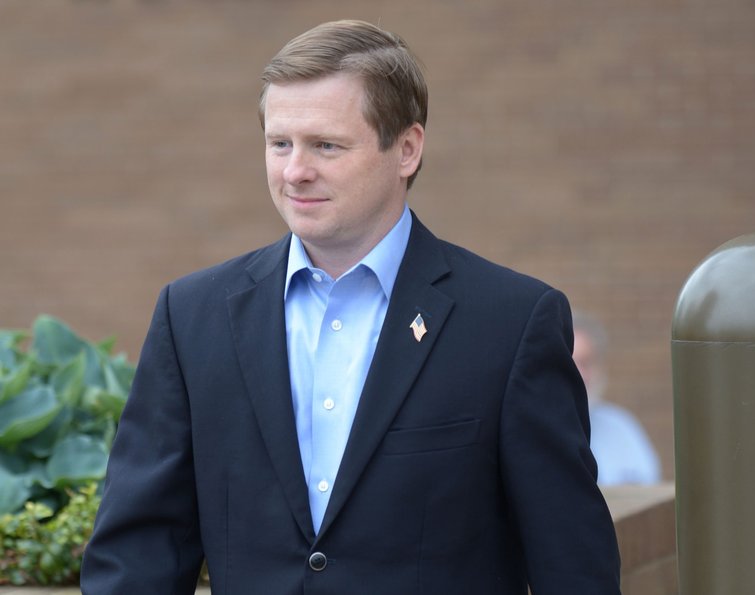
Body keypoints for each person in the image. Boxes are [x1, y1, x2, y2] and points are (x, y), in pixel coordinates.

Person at [81, 20, 621, 594]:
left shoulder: (511, 323)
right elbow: (139, 556)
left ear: (407, 149)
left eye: (327, 146)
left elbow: (573, 566)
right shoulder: (193, 317)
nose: (295, 171)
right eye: (280, 143)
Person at [572, 311, 661, 485]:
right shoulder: (531, 429)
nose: (579, 374)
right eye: (571, 363)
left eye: (586, 363)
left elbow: (649, 490)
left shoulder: (622, 427)